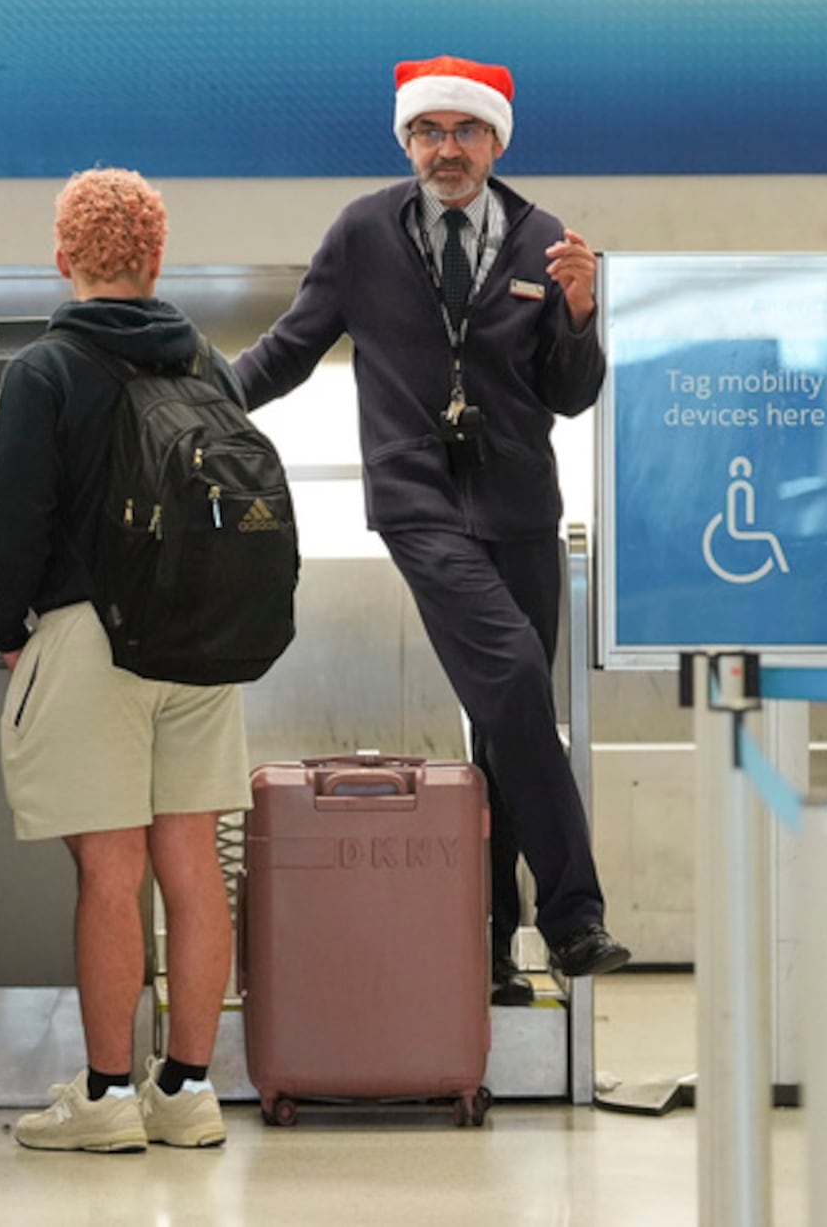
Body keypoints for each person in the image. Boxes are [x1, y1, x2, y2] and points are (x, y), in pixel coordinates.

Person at [235, 56, 630, 999]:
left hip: (523, 505)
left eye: (465, 132)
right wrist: (193, 406)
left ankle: (489, 952)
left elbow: (571, 399)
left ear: (496, 141)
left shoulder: (543, 240)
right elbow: (291, 348)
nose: (446, 150)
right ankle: (574, 920)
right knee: (516, 675)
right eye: (429, 132)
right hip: (418, 501)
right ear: (407, 140)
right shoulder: (365, 231)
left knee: (505, 723)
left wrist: (580, 313)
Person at [0, 169, 251, 1155]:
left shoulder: (46, 368)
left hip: (91, 635)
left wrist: (8, 623)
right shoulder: (207, 366)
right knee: (192, 866)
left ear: (64, 258)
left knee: (109, 868)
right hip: (202, 639)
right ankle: (186, 1088)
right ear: (156, 258)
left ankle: (103, 1095)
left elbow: (14, 517)